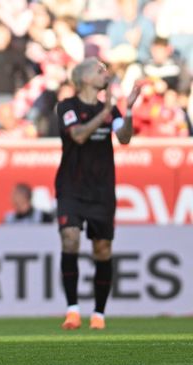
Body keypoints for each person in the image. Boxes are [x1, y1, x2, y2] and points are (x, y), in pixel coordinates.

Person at [55, 57, 141, 331]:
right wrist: (103, 115)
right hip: (71, 187)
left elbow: (125, 138)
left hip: (102, 190)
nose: (106, 73)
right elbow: (78, 135)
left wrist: (127, 111)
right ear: (83, 79)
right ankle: (72, 311)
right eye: (99, 70)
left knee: (102, 249)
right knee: (70, 240)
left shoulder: (111, 110)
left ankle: (99, 315)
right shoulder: (68, 106)